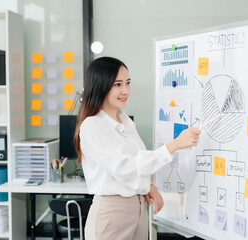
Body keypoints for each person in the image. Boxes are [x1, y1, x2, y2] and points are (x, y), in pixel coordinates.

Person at [74, 57, 201, 240]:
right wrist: (175, 144)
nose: (125, 90)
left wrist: (148, 186)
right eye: (117, 84)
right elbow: (125, 168)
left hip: (138, 210)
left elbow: (135, 161)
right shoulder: (93, 125)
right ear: (100, 86)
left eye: (127, 83)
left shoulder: (124, 121)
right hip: (111, 215)